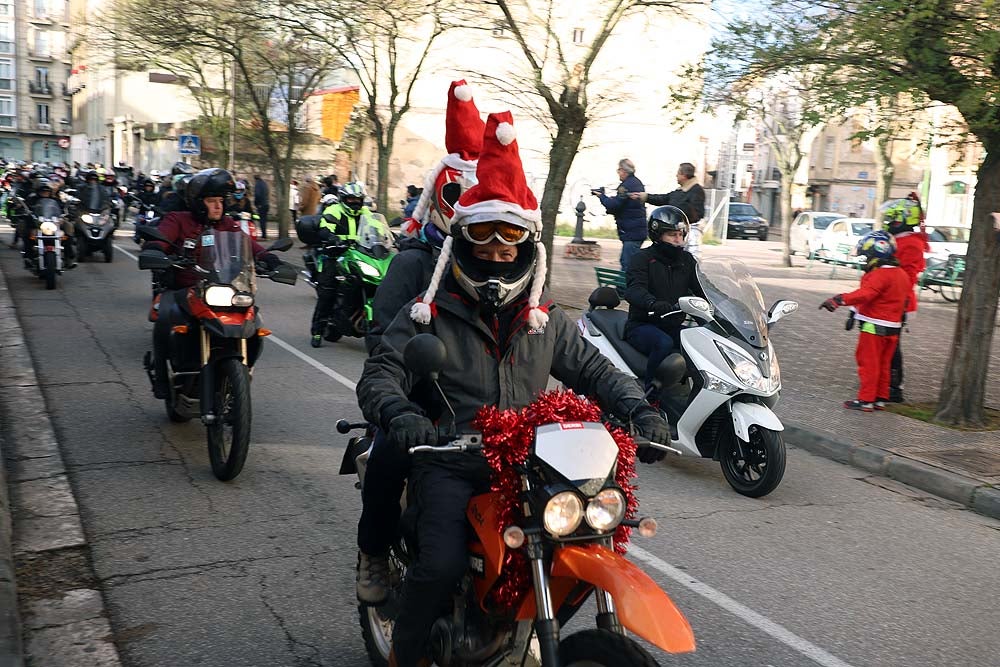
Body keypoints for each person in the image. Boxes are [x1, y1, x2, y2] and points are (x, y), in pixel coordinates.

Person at [356, 111, 670, 667]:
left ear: (525, 253)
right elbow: (381, 371)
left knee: (578, 544)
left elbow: (595, 371)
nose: (497, 259)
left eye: (508, 251)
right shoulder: (428, 315)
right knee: (442, 565)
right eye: (485, 250)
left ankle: (523, 627)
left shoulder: (542, 321)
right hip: (447, 456)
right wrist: (400, 412)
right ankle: (406, 656)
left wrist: (639, 409)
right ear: (463, 250)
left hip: (531, 464)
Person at [356, 80, 484, 609]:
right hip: (422, 404)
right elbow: (385, 340)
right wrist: (404, 406)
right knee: (390, 454)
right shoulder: (412, 263)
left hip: (481, 407)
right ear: (437, 201)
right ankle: (374, 552)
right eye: (458, 199)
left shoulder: (495, 266)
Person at [142, 168, 282, 399]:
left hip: (223, 288)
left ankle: (240, 372)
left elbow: (249, 246)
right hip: (184, 288)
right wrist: (156, 249)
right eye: (211, 201)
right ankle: (161, 377)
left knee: (254, 323)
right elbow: (161, 236)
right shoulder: (178, 220)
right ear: (197, 202)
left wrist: (269, 258)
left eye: (220, 201)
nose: (218, 206)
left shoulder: (228, 224)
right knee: (163, 317)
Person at [819, 230, 912, 412]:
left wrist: (838, 300)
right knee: (884, 364)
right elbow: (902, 300)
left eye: (867, 256)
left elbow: (865, 294)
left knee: (869, 363)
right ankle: (879, 398)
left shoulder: (879, 275)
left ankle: (866, 400)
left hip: (873, 326)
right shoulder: (901, 274)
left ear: (876, 254)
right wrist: (853, 314)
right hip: (893, 327)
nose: (866, 261)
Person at [623, 205, 702, 392]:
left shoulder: (687, 261)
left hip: (672, 325)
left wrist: (722, 307)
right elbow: (634, 290)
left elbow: (702, 289)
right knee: (663, 343)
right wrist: (653, 303)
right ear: (658, 235)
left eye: (681, 234)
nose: (678, 239)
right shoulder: (642, 259)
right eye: (673, 235)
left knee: (701, 342)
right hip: (642, 325)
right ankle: (649, 394)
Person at [309, 182, 383, 347]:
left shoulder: (366, 212)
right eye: (351, 199)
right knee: (328, 292)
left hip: (358, 255)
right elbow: (325, 227)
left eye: (358, 199)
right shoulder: (334, 210)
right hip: (335, 255)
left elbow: (377, 227)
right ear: (343, 199)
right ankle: (317, 331)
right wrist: (332, 238)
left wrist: (392, 237)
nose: (355, 202)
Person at [878, 193, 928, 403]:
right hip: (886, 300)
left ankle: (894, 387)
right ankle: (883, 382)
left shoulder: (911, 244)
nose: (890, 223)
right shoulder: (900, 240)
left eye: (894, 219)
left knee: (892, 344)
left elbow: (904, 278)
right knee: (882, 343)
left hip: (898, 302)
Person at [632, 162, 707, 258]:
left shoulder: (696, 191)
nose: (676, 175)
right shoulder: (680, 191)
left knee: (691, 259)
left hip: (689, 232)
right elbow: (663, 199)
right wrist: (644, 196)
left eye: (678, 173)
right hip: (676, 229)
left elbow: (697, 214)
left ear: (684, 175)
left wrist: (676, 214)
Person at [592, 158, 646, 272]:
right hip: (634, 231)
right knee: (626, 262)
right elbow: (623, 205)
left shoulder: (626, 185)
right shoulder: (634, 183)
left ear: (624, 170)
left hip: (632, 233)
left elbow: (614, 205)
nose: (618, 173)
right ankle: (624, 288)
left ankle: (625, 289)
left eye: (619, 170)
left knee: (627, 265)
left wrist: (601, 196)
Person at [252, 174, 270, 239]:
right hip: (266, 203)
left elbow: (257, 194)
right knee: (264, 220)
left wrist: (256, 203)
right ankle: (264, 234)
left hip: (261, 204)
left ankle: (263, 235)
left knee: (261, 220)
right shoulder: (264, 184)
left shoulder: (258, 184)